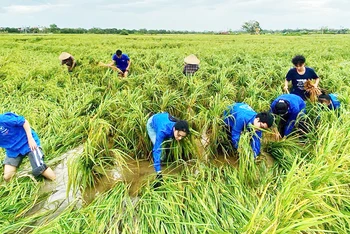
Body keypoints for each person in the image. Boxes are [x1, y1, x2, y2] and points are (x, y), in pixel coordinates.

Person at [0, 112, 56, 181]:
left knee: (39, 167)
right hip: (13, 150)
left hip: (28, 142)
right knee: (7, 176)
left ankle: (56, 182)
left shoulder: (3, 119)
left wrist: (30, 138)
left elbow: (24, 121)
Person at [146, 112, 189, 185]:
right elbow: (157, 150)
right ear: (175, 129)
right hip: (152, 123)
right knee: (160, 149)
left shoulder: (179, 126)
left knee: (168, 142)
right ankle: (161, 162)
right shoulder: (162, 131)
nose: (180, 138)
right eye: (179, 135)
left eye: (182, 136)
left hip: (163, 118)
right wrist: (158, 172)